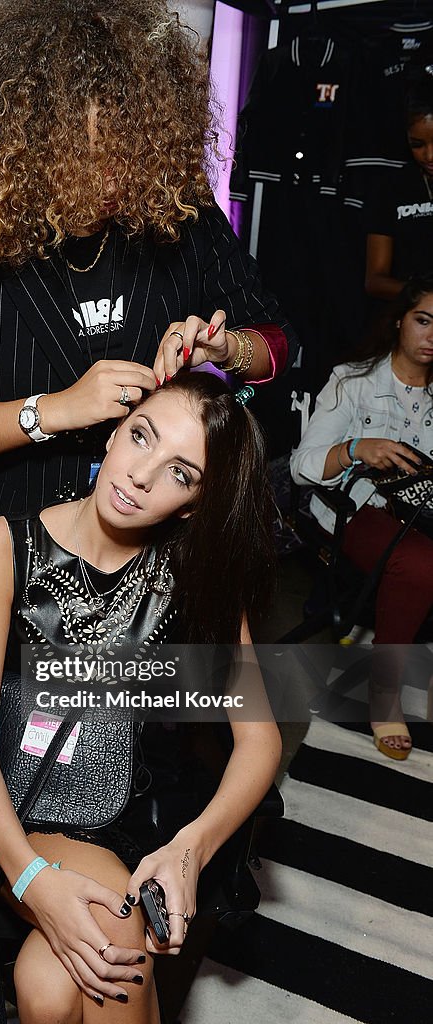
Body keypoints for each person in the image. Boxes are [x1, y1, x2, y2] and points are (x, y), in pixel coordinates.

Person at [0, 370, 282, 1022]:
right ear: (114, 429)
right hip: (17, 814)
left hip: (137, 815)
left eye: (180, 473)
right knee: (113, 928)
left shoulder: (193, 572)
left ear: (192, 504)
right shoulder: (5, 544)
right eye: (140, 437)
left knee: (47, 993)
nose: (139, 475)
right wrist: (28, 878)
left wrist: (191, 848)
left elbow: (259, 738)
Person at [0, 0, 298, 552]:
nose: (114, 174)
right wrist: (58, 409)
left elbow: (279, 343)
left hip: (158, 541)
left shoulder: (181, 213)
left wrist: (226, 349)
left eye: (129, 150)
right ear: (27, 146)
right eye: (85, 153)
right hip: (20, 534)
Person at [290, 275, 433, 760]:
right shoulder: (353, 380)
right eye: (423, 320)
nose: (431, 335)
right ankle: (384, 691)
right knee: (416, 564)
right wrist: (356, 449)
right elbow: (302, 466)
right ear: (399, 321)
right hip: (357, 509)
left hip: (423, 513)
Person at [365, 74, 433, 301]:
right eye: (417, 144)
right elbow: (374, 280)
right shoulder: (392, 187)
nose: (429, 155)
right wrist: (420, 294)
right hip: (413, 312)